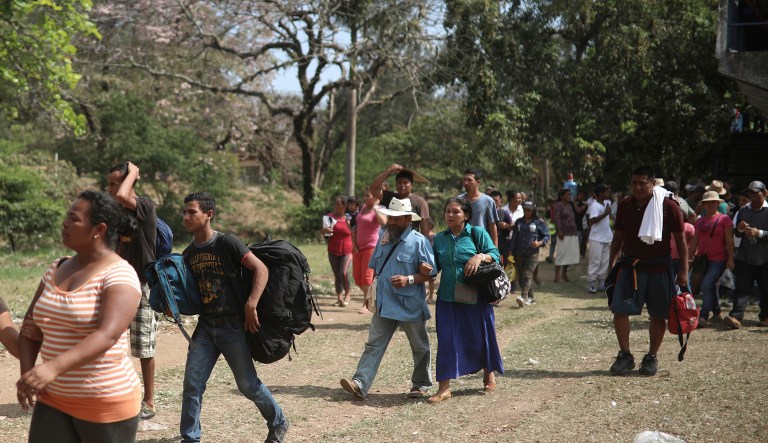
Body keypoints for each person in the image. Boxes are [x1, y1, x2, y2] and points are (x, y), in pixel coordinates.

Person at [17, 190, 142, 442]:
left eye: (74, 219)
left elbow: (107, 335)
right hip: (53, 396)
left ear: (99, 229)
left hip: (105, 400)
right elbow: (30, 329)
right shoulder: (57, 268)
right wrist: (29, 374)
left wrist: (51, 368)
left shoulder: (120, 275)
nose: (65, 223)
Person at [180, 192, 288, 443]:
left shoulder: (227, 243)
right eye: (184, 212)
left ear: (209, 215)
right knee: (192, 386)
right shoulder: (188, 254)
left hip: (233, 327)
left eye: (191, 212)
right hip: (206, 328)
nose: (186, 217)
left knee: (248, 386)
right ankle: (190, 438)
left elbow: (260, 268)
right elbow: (192, 295)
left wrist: (251, 304)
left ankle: (279, 422)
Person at [340, 198, 436, 400]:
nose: (391, 223)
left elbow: (429, 274)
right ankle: (360, 383)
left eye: (397, 219)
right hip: (384, 302)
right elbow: (376, 268)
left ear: (408, 219)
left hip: (409, 304)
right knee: (374, 343)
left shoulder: (420, 241)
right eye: (390, 218)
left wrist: (409, 279)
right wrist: (370, 294)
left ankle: (420, 385)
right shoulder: (384, 237)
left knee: (420, 347)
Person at [607, 166, 687, 376]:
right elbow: (618, 236)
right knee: (619, 311)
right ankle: (625, 355)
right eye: (635, 182)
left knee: (658, 315)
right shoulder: (625, 205)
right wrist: (612, 262)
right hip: (630, 266)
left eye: (643, 182)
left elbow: (681, 240)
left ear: (653, 183)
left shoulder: (669, 206)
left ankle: (651, 357)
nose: (638, 187)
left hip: (660, 268)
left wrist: (684, 270)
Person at [428, 198, 504, 403]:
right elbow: (435, 266)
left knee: (481, 335)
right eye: (447, 211)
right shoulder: (440, 239)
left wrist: (480, 256)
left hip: (475, 296)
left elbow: (495, 254)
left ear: (467, 215)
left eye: (455, 212)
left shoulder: (477, 233)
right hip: (447, 297)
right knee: (446, 340)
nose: (450, 215)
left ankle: (488, 372)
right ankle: (444, 387)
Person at [107, 161, 160, 420]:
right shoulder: (116, 213)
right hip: (119, 285)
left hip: (144, 284)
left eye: (114, 183)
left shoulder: (146, 207)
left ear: (129, 183)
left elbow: (122, 195)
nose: (110, 189)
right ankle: (117, 394)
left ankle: (148, 401)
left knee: (143, 346)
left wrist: (135, 172)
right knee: (110, 341)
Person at [724, 181, 768, 329]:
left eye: (756, 193)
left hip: (765, 258)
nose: (753, 196)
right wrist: (741, 229)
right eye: (750, 193)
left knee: (765, 289)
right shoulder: (743, 211)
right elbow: (736, 233)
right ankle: (736, 317)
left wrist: (759, 233)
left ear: (765, 193)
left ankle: (765, 317)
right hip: (746, 256)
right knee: (742, 288)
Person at [688, 191, 735, 327]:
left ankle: (703, 316)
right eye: (707, 202)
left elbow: (729, 241)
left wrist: (730, 259)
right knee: (711, 285)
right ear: (703, 205)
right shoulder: (700, 221)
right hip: (702, 259)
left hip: (719, 259)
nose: (710, 205)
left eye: (713, 202)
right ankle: (716, 311)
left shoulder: (724, 219)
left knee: (707, 284)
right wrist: (689, 259)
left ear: (717, 203)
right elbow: (695, 241)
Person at [351, 191, 386, 314]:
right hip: (358, 248)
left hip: (371, 247)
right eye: (364, 195)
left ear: (375, 197)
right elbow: (355, 228)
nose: (364, 197)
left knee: (366, 278)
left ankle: (366, 305)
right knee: (357, 278)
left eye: (368, 195)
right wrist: (354, 244)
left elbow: (384, 223)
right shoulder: (363, 208)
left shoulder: (379, 208)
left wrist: (376, 207)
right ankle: (373, 297)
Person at [369, 164, 431, 234]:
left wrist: (425, 242)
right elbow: (374, 189)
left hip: (410, 241)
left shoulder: (419, 201)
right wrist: (389, 171)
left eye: (405, 183)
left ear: (412, 185)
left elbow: (425, 224)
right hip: (391, 239)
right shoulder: (391, 197)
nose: (402, 185)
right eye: (399, 182)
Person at [511, 201, 550, 307]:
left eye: (529, 210)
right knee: (521, 278)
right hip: (519, 253)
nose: (527, 212)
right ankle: (531, 297)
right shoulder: (519, 222)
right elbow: (514, 237)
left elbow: (546, 236)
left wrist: (539, 243)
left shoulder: (539, 222)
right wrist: (511, 252)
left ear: (533, 210)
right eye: (525, 209)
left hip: (532, 254)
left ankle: (523, 297)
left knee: (527, 274)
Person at [321, 195, 353, 307]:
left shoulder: (350, 218)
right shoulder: (329, 217)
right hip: (333, 250)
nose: (335, 206)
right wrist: (324, 231)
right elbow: (326, 236)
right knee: (337, 274)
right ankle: (339, 297)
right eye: (335, 204)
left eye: (338, 204)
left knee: (343, 272)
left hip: (347, 250)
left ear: (344, 206)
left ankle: (348, 294)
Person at [458, 168, 500, 247]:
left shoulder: (488, 201)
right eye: (464, 180)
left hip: (481, 246)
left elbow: (492, 226)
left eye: (469, 180)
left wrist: (495, 250)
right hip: (463, 245)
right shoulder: (459, 200)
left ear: (478, 182)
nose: (466, 182)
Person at [586, 184, 613, 294]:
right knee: (595, 261)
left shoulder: (607, 203)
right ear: (600, 194)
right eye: (606, 192)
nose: (608, 194)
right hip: (596, 238)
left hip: (606, 237)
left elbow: (610, 216)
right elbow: (592, 221)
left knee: (604, 261)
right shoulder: (594, 206)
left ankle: (601, 283)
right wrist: (605, 213)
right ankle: (591, 283)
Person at [553, 188, 580, 282]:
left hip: (572, 233)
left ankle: (564, 275)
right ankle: (557, 276)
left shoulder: (569, 205)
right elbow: (557, 219)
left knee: (568, 255)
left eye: (570, 195)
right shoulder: (559, 205)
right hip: (563, 234)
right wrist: (559, 230)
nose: (569, 196)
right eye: (567, 195)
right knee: (561, 254)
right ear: (562, 196)